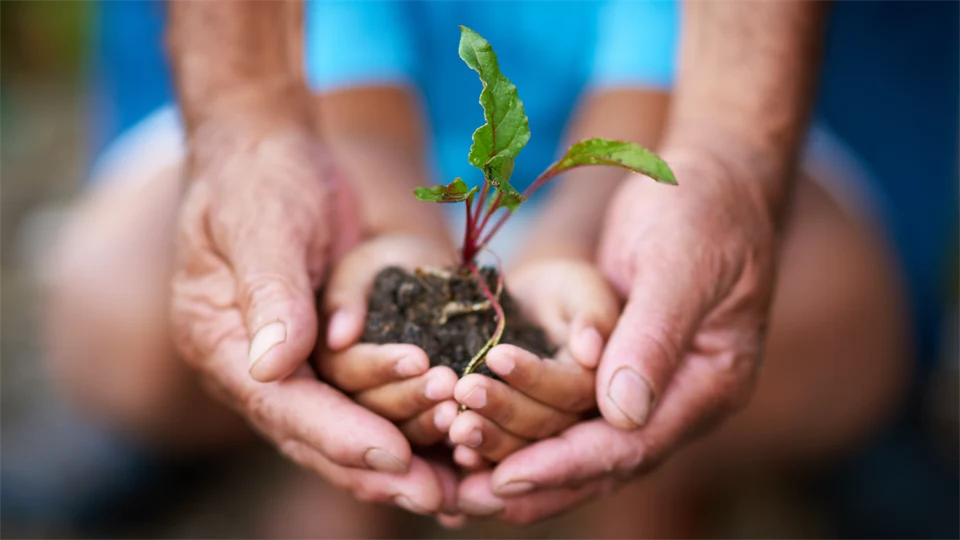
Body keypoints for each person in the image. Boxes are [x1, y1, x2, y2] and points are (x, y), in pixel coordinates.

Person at [19, 0, 917, 536]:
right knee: (126, 309)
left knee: (837, 319)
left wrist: (570, 248)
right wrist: (376, 249)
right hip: (350, 170)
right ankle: (324, 462)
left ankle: (670, 470)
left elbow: (659, 92)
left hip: (619, 188)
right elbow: (352, 113)